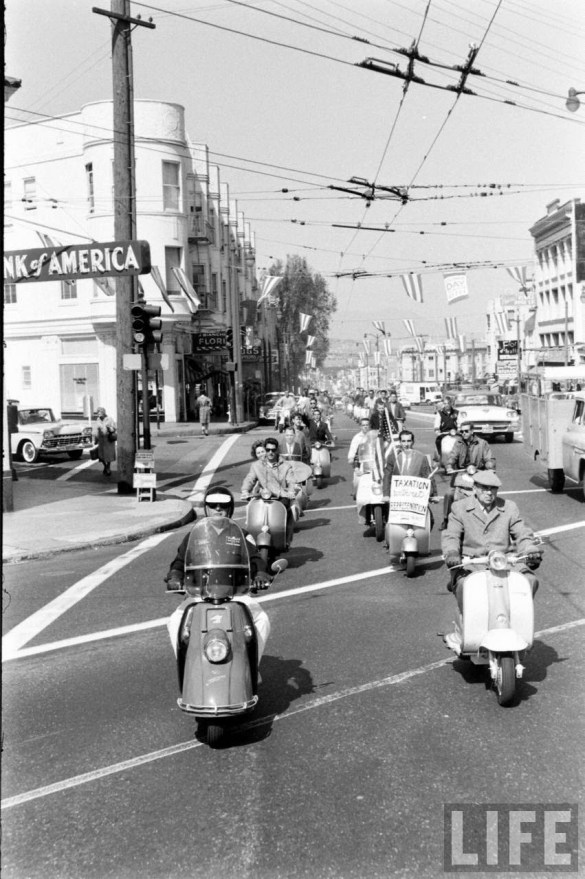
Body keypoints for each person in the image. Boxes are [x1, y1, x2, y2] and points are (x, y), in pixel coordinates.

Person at [164, 486, 272, 656]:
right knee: (175, 621)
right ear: (206, 508)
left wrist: (260, 574)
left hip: (236, 594)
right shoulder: (194, 535)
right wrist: (175, 576)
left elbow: (256, 559)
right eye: (213, 505)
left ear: (230, 509)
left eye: (223, 506)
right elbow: (179, 562)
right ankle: (185, 665)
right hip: (199, 594)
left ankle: (253, 666)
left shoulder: (241, 535)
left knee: (261, 620)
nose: (218, 509)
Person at [441, 470, 543, 649]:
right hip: (473, 563)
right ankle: (470, 626)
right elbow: (451, 535)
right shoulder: (460, 508)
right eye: (484, 488)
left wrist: (530, 549)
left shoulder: (508, 507)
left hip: (504, 562)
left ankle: (518, 624)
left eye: (493, 489)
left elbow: (522, 532)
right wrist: (451, 553)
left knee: (529, 580)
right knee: (465, 585)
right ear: (475, 488)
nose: (489, 493)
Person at [440, 421, 496, 530]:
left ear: (472, 431)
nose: (463, 433)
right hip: (461, 473)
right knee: (449, 494)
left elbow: (489, 458)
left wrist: (490, 466)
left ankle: (490, 519)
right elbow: (452, 456)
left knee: (488, 495)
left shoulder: (482, 443)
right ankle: (446, 519)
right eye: (461, 431)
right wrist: (449, 466)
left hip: (477, 473)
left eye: (466, 431)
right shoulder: (458, 443)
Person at [241, 436, 301, 521]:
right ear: (265, 450)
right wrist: (245, 490)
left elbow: (291, 480)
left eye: (273, 450)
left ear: (277, 450)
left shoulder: (286, 466)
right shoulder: (257, 465)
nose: (270, 452)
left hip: (282, 496)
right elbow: (250, 478)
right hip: (264, 495)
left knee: (282, 511)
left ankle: (284, 527)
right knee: (252, 509)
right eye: (268, 450)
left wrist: (291, 491)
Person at [93, 407, 116, 476]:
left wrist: (110, 428)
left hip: (108, 440)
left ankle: (108, 467)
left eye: (100, 412)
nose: (98, 414)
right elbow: (96, 430)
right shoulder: (98, 420)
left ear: (103, 412)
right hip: (101, 441)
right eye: (97, 413)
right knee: (101, 456)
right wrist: (96, 439)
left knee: (108, 456)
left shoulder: (110, 419)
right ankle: (105, 467)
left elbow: (114, 429)